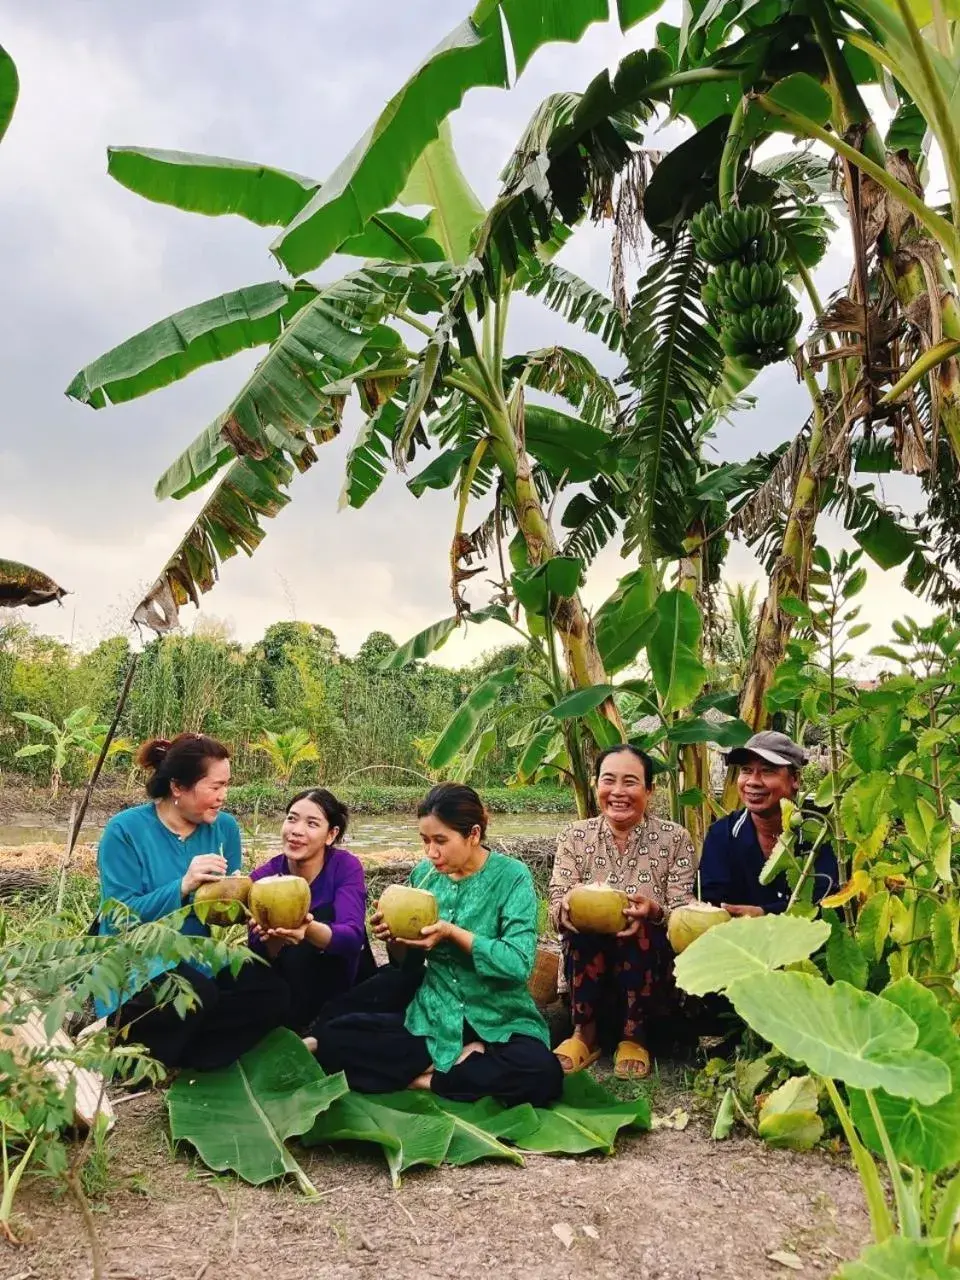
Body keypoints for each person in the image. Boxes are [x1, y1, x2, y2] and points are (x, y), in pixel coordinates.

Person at [312, 783, 564, 1108]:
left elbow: (516, 964)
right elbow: (409, 965)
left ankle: (427, 1078)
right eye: (425, 841)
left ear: (473, 834)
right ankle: (457, 1066)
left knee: (542, 1073)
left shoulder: (512, 877)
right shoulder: (423, 876)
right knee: (336, 1040)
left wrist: (452, 933)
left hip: (499, 1017)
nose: (431, 853)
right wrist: (395, 939)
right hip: (435, 1015)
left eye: (441, 841)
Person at [95, 733, 290, 1070]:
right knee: (197, 994)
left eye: (226, 785)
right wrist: (183, 885)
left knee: (271, 990)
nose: (223, 797)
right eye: (214, 787)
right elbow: (119, 918)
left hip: (198, 960)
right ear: (177, 788)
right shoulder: (124, 830)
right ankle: (129, 1038)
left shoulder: (224, 829)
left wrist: (248, 903)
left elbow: (220, 914)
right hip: (134, 963)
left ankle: (185, 1050)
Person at [549, 744, 696, 1080]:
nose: (618, 792)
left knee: (641, 926)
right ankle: (583, 1034)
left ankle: (634, 1036)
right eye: (608, 781)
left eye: (630, 782)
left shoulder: (674, 839)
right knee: (583, 924)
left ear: (649, 790)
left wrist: (655, 912)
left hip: (649, 972)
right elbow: (556, 903)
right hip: (587, 968)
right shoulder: (575, 836)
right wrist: (568, 906)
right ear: (597, 786)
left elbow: (682, 916)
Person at [248, 788, 373, 1031]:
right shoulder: (263, 878)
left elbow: (352, 937)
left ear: (331, 834)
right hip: (288, 988)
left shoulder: (345, 866)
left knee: (325, 915)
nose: (296, 831)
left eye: (312, 823)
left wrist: (306, 928)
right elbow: (257, 951)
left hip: (341, 982)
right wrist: (273, 940)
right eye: (291, 818)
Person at [699, 731, 838, 915]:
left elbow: (829, 904)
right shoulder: (722, 835)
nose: (753, 781)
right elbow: (711, 903)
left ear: (795, 779)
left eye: (767, 771)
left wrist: (764, 914)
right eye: (746, 770)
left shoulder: (819, 836)